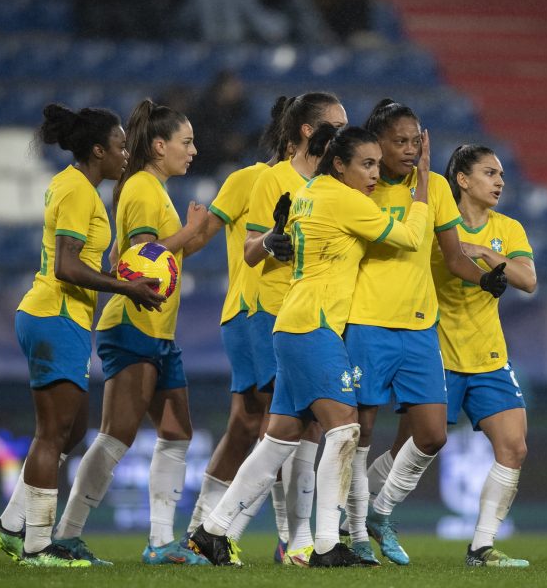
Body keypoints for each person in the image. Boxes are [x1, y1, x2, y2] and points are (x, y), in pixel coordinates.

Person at [189, 123, 431, 567]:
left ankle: (211, 530)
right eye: (367, 164)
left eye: (378, 164)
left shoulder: (311, 192)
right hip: (314, 326)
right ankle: (325, 545)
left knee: (279, 439)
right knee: (344, 429)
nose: (375, 174)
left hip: (291, 324)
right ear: (339, 164)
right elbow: (410, 238)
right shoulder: (344, 199)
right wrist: (424, 192)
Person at [0, 103, 165, 567]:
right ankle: (38, 546)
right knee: (52, 433)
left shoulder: (75, 186)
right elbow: (66, 266)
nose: (126, 154)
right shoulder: (78, 192)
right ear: (98, 149)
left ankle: (11, 525)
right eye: (121, 146)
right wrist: (125, 285)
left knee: (73, 429)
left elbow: (77, 259)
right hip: (54, 314)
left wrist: (120, 268)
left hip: (60, 318)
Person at [340, 100, 507, 565]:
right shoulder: (362, 188)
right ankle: (354, 535)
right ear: (377, 144)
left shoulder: (434, 186)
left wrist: (484, 278)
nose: (411, 150)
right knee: (362, 433)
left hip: (418, 329)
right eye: (400, 141)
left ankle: (379, 514)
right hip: (368, 322)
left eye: (417, 141)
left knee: (432, 434)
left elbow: (454, 258)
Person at [50, 99, 209, 566]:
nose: (194, 150)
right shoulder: (141, 187)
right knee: (117, 433)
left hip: (158, 327)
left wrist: (210, 226)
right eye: (186, 142)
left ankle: (162, 541)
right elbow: (142, 258)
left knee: (178, 431)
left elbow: (167, 257)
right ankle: (67, 531)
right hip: (132, 324)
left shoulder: (153, 188)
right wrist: (192, 230)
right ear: (159, 146)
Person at [179, 96, 294, 558]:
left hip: (251, 314)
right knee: (283, 425)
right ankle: (282, 539)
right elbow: (203, 234)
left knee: (246, 427)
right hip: (258, 313)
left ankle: (198, 532)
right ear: (302, 133)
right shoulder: (254, 179)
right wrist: (153, 254)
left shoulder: (303, 184)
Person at [240, 92, 348, 566]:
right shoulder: (274, 179)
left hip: (322, 315)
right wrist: (271, 241)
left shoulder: (336, 182)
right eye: (336, 123)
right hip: (277, 312)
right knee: (283, 428)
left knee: (298, 429)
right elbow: (248, 249)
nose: (345, 129)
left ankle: (290, 539)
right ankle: (295, 537)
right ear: (309, 130)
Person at [433, 144, 535, 568]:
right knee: (419, 445)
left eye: (501, 175)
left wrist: (488, 253)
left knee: (513, 447)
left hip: (490, 357)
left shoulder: (508, 229)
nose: (500, 182)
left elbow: (528, 279)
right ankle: (364, 520)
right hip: (438, 355)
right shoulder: (437, 224)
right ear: (462, 179)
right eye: (490, 173)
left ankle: (481, 546)